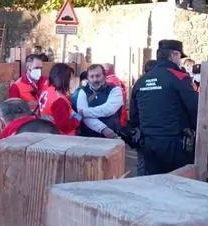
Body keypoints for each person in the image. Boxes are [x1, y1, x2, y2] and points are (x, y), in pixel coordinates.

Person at [128, 39, 198, 175]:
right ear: (174, 55)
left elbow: (133, 116)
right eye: (179, 58)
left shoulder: (141, 81)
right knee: (177, 186)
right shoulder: (179, 78)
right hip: (174, 144)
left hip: (147, 143)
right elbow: (195, 108)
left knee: (151, 186)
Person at [72, 64, 121, 138]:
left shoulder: (115, 90)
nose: (95, 79)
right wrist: (103, 129)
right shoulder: (83, 92)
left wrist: (86, 112)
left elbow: (108, 109)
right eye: (92, 76)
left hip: (112, 136)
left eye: (98, 76)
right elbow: (85, 117)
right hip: (88, 137)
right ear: (88, 78)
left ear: (104, 76)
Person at [38, 63, 81, 135]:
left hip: (48, 132)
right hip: (61, 138)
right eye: (70, 79)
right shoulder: (58, 100)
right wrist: (77, 120)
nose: (71, 82)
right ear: (64, 79)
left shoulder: (47, 91)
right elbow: (64, 126)